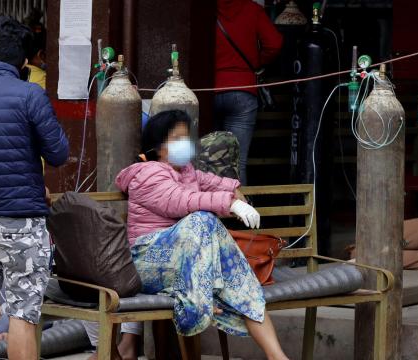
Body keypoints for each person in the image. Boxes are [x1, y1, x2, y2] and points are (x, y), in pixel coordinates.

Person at [115, 110, 289, 359]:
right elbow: (180, 200)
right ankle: (197, 306)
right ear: (158, 147)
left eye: (186, 137)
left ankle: (277, 356)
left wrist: (234, 190)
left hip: (189, 265)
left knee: (238, 282)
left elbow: (214, 182)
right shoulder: (147, 174)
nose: (184, 144)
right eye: (177, 138)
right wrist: (230, 204)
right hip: (149, 262)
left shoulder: (186, 171)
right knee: (201, 219)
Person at [0, 16, 69, 360]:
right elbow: (58, 153)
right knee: (23, 314)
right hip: (20, 222)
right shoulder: (31, 94)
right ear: (25, 62)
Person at [214, 0, 282, 185]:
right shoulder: (253, 9)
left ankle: (211, 210)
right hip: (242, 90)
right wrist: (255, 63)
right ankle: (238, 211)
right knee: (237, 162)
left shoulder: (203, 10)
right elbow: (274, 43)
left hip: (208, 90)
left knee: (207, 160)